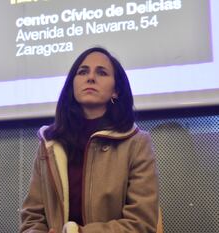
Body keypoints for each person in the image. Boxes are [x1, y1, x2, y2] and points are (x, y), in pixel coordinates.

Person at [19, 47, 159, 233]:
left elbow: (141, 224)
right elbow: (31, 219)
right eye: (83, 72)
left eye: (101, 72)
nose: (90, 78)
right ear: (73, 85)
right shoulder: (50, 144)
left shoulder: (137, 143)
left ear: (116, 91)